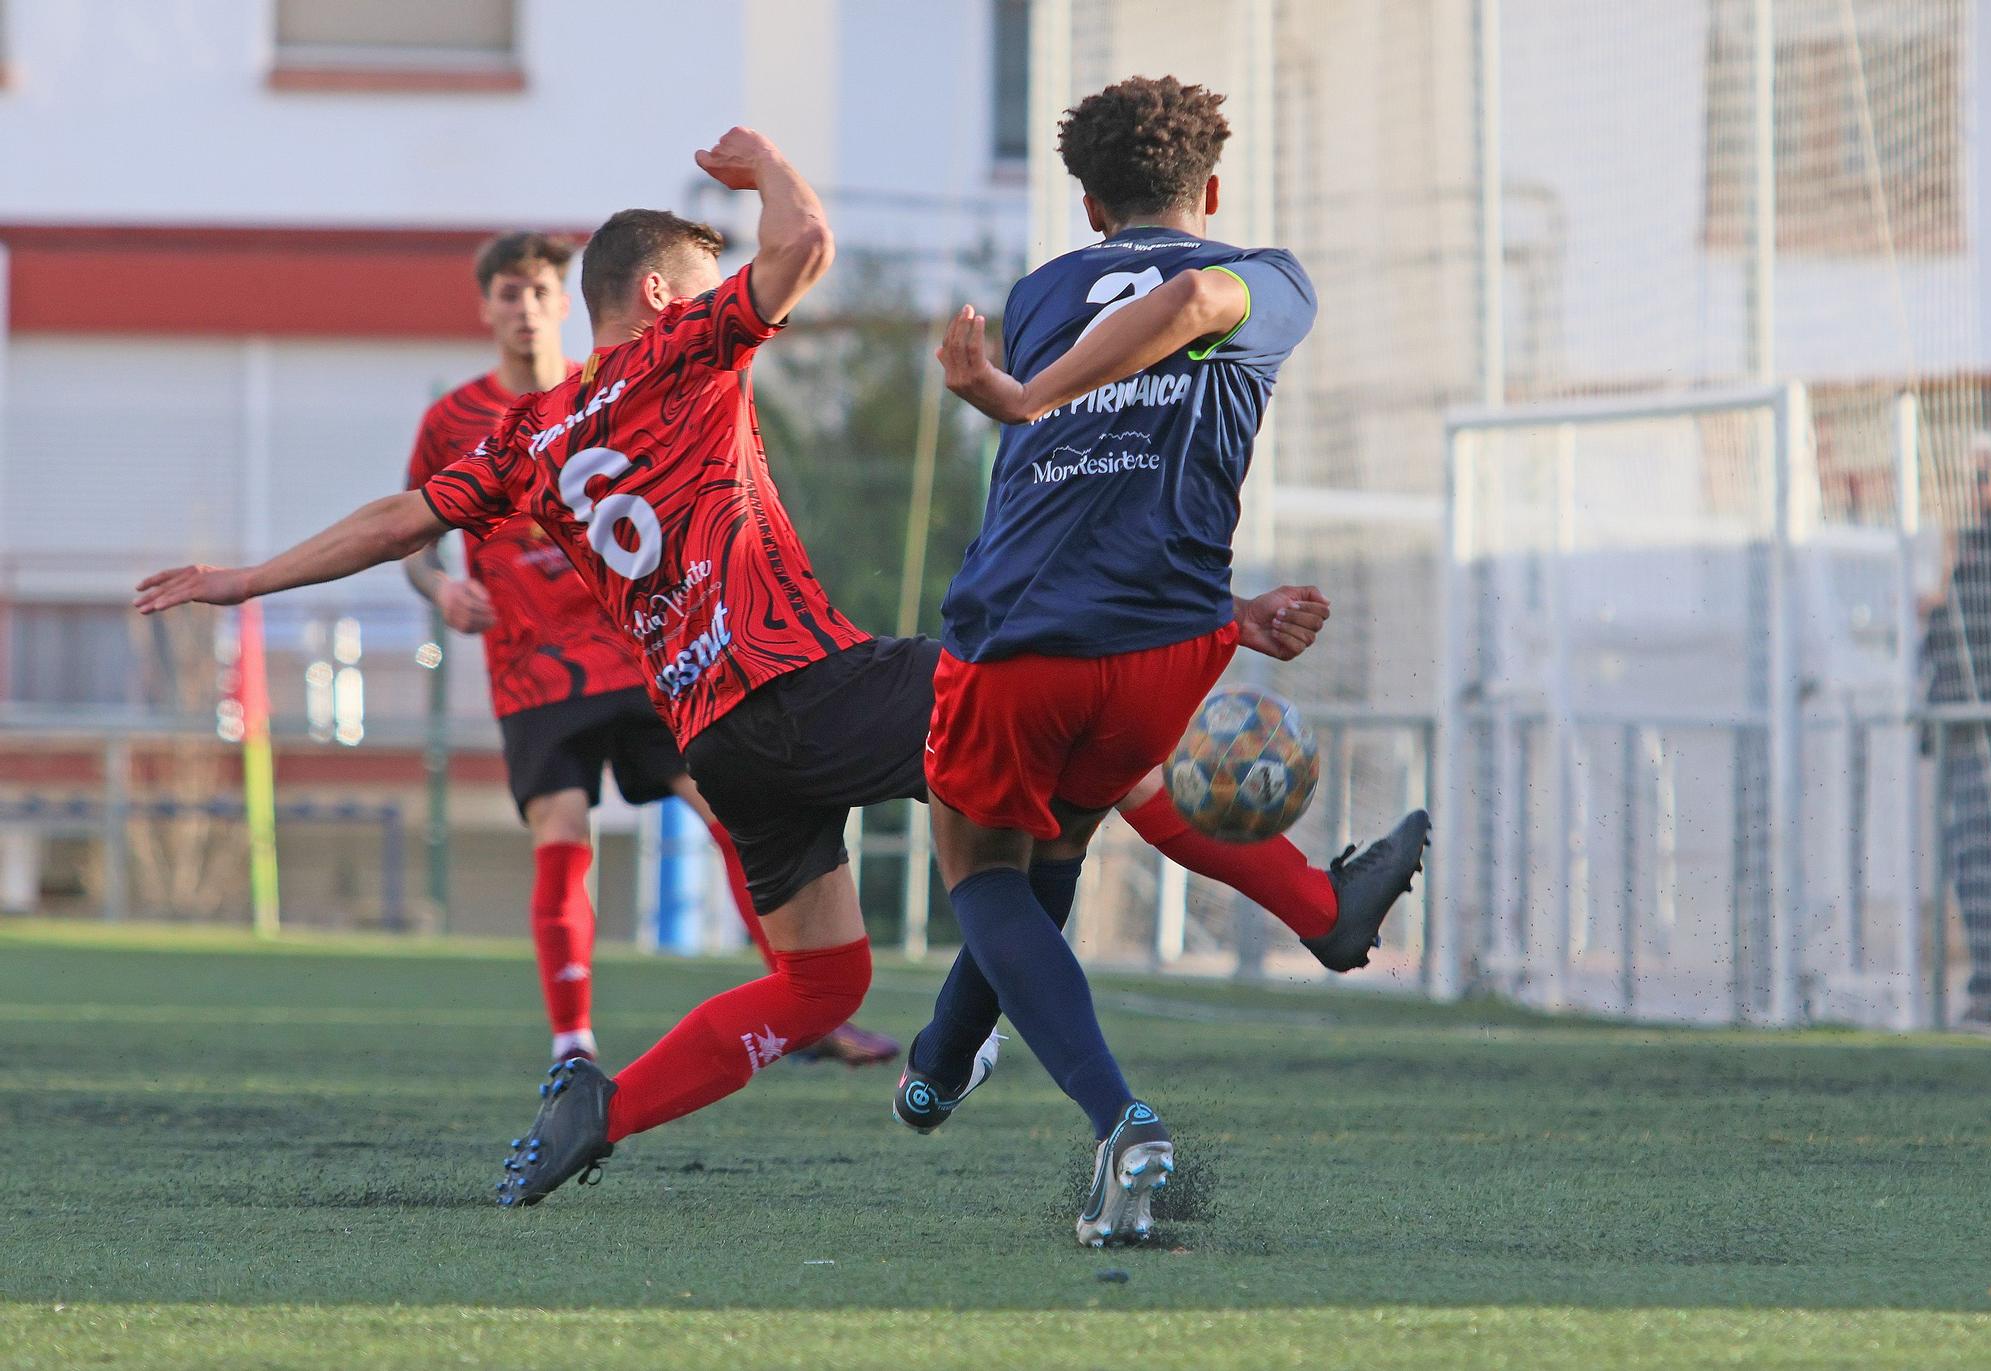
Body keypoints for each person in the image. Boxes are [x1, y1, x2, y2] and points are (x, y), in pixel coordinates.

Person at [133, 125, 1391, 1213]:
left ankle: (602, 1109)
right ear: (661, 296)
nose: (726, 292)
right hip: (805, 683)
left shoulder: (524, 436)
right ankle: (1177, 1000)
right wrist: (766, 166)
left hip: (718, 739)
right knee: (1058, 751)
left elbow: (405, 516)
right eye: (704, 277)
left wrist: (244, 581)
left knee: (820, 978)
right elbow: (802, 251)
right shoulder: (675, 354)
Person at [906, 76, 1430, 1246]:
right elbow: (1195, 308)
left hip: (1021, 632)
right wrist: (1237, 615)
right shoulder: (1275, 281)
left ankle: (1115, 1119)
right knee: (1061, 841)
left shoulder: (1042, 295)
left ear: (1088, 205)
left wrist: (1016, 391)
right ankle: (938, 1067)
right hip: (1168, 644)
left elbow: (1173, 315)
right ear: (1211, 187)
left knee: (980, 866)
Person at [402, 231, 898, 1067]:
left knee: (731, 813)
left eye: (538, 290)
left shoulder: (619, 386)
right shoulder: (454, 422)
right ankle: (573, 1044)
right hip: (535, 670)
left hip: (643, 658)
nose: (524, 307)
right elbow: (417, 539)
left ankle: (805, 1005)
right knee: (563, 831)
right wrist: (440, 588)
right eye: (508, 293)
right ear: (486, 307)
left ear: (568, 301)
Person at [1921, 434, 1991, 1024]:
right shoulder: (1967, 550)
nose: (1975, 490)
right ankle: (1989, 986)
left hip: (1987, 728)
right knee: (1973, 863)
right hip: (1970, 735)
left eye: (1984, 476)